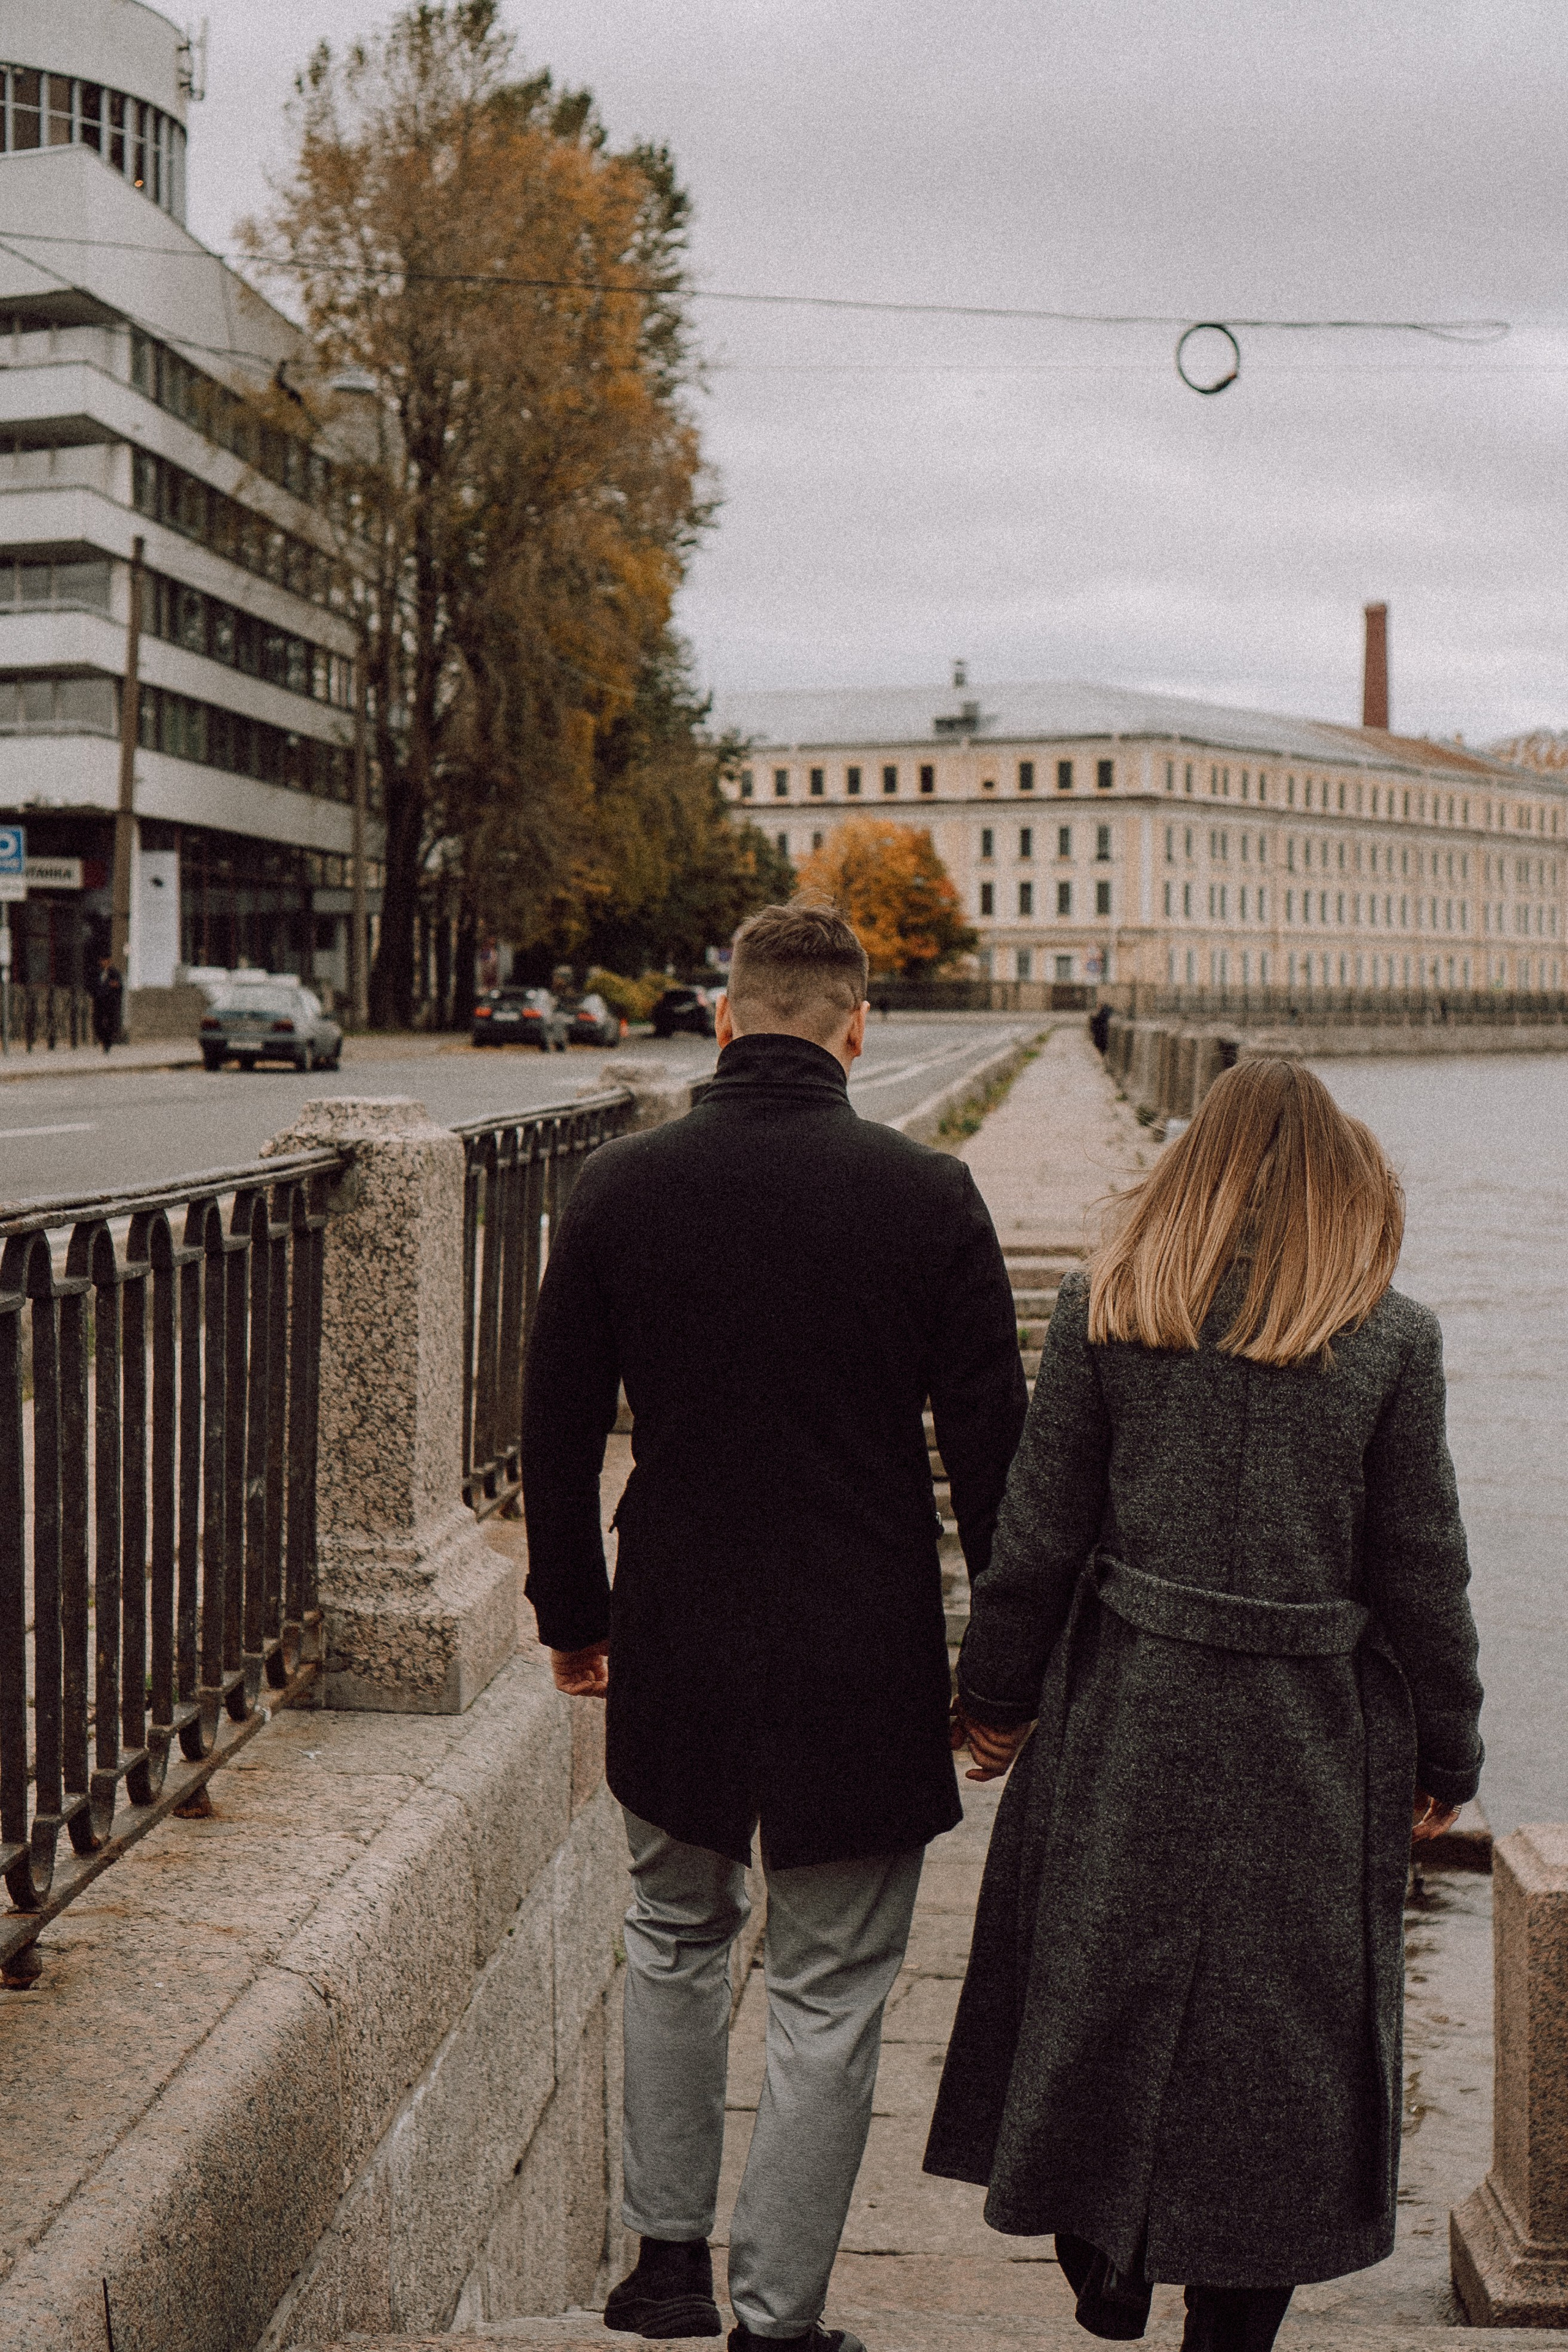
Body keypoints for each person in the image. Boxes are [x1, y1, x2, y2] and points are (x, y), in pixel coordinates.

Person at [520, 901, 1027, 2352]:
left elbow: (555, 1429)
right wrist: (1000, 1678)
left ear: (723, 1017)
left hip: (674, 1624)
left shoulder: (619, 1187)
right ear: (856, 1026)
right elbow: (997, 1462)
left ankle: (663, 2264)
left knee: (673, 1934)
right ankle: (778, 2318)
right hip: (859, 1643)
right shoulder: (928, 1198)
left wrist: (574, 1615)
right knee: (830, 1988)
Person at [924, 1056, 1483, 2352]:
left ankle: (1102, 2248)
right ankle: (1230, 2325)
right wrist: (1448, 1752)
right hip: (1310, 1733)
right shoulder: (1389, 1338)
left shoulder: (1106, 1307)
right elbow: (1424, 1573)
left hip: (1131, 1705)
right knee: (1283, 2042)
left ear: (1189, 1170)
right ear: (1346, 1184)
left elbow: (1036, 1535)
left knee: (1096, 1984)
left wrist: (992, 1697)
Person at [91, 956, 123, 1054]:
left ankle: (107, 1043)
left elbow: (119, 986)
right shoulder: (97, 972)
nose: (104, 963)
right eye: (102, 961)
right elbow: (94, 985)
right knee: (97, 1023)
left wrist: (114, 986)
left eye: (105, 961)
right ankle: (102, 1039)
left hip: (110, 1002)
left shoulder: (115, 973)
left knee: (110, 1023)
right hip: (99, 1002)